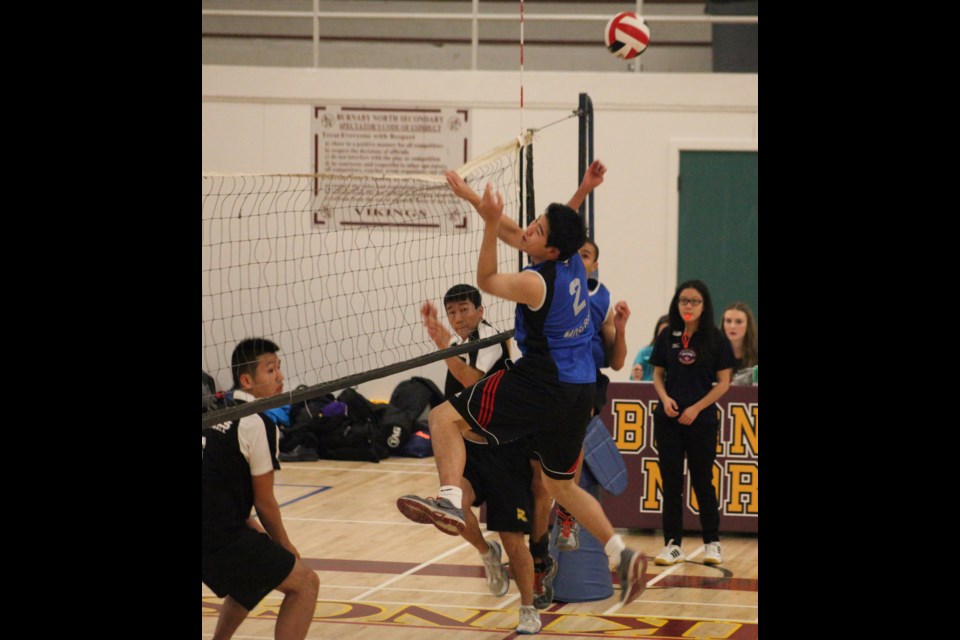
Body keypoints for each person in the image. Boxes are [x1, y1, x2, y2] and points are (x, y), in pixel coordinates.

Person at [397, 168, 648, 607]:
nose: (527, 229)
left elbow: (487, 280)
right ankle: (620, 553)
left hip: (539, 381)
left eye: (537, 230)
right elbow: (540, 226)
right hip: (579, 391)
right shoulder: (569, 258)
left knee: (442, 418)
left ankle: (452, 499)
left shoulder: (536, 283)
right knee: (561, 485)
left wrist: (491, 225)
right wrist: (479, 199)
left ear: (550, 249)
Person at [421, 285, 541, 634]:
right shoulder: (459, 346)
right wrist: (443, 339)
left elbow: (473, 382)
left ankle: (528, 608)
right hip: (468, 450)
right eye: (452, 313)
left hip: (504, 450)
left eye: (464, 311)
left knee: (513, 539)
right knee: (454, 510)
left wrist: (442, 346)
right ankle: (486, 553)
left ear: (480, 310)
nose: (458, 318)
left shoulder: (491, 339)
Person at [202, 338, 319, 640]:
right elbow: (264, 501)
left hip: (215, 526)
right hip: (216, 535)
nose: (280, 377)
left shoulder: (215, 409)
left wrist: (254, 531)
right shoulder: (256, 423)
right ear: (246, 380)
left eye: (279, 368)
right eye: (270, 370)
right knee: (305, 584)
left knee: (253, 571)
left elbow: (216, 484)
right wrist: (286, 546)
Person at [539, 237, 631, 555]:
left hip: (585, 381)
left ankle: (567, 515)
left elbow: (617, 362)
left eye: (587, 254)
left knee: (571, 437)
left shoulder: (600, 299)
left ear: (594, 265)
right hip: (549, 377)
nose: (580, 258)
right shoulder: (547, 287)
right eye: (575, 253)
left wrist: (620, 328)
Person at [650, 281, 733, 567]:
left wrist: (696, 408)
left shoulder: (715, 339)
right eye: (684, 300)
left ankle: (712, 542)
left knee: (702, 482)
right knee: (671, 483)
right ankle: (673, 544)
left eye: (694, 301)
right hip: (669, 420)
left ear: (704, 305)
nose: (688, 305)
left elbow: (724, 383)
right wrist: (665, 399)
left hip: (701, 421)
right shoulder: (667, 336)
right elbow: (657, 374)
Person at [721, 301, 758, 386]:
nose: (732, 326)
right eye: (728, 321)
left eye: (739, 322)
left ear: (748, 325)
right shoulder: (713, 352)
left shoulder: (756, 352)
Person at [630, 315, 670, 382]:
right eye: (661, 333)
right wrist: (636, 378)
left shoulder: (680, 355)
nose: (664, 337)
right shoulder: (644, 353)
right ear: (656, 334)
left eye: (668, 333)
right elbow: (632, 384)